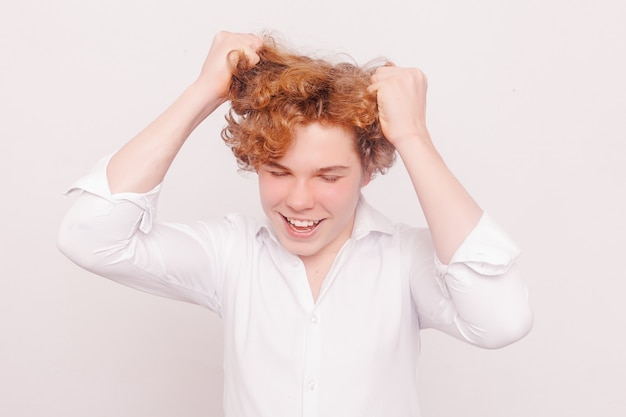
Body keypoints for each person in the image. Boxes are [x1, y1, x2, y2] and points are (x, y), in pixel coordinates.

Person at [58, 31, 533, 417]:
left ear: (368, 171)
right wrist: (204, 92)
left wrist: (412, 135)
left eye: (329, 176)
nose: (299, 200)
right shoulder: (232, 254)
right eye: (278, 172)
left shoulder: (405, 261)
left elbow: (501, 320)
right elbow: (90, 236)